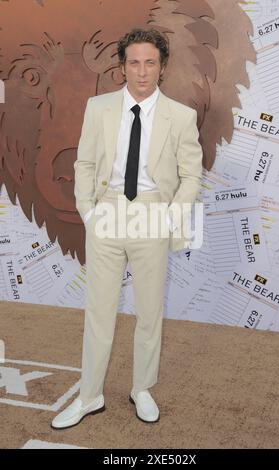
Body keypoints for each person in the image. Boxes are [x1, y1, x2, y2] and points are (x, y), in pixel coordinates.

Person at [51, 27, 202, 429]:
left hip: (153, 213)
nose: (141, 71)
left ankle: (142, 389)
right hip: (108, 211)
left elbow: (191, 176)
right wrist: (88, 210)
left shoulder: (181, 117)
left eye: (150, 62)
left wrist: (171, 217)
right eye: (133, 62)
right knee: (99, 310)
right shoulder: (98, 107)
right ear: (122, 67)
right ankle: (89, 396)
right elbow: (84, 163)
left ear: (162, 67)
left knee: (149, 311)